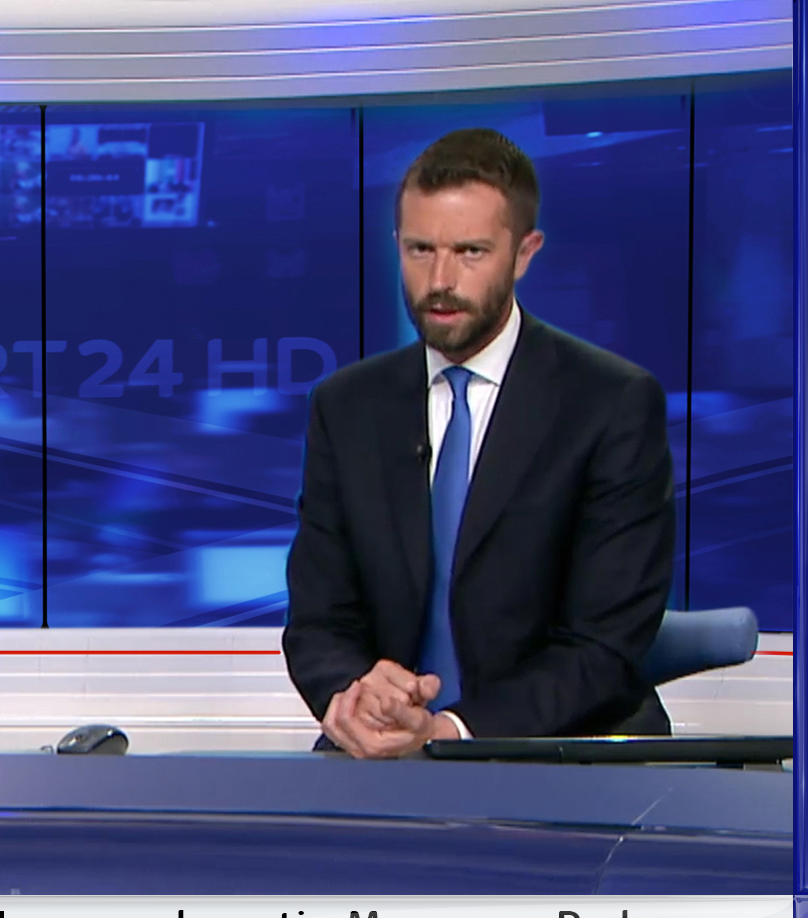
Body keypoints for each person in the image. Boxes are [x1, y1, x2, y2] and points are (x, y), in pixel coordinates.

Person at [283, 129, 674, 759]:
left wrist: (450, 731)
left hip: (560, 753)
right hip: (384, 755)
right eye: (420, 250)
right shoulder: (347, 407)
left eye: (470, 252)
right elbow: (318, 621)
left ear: (524, 253)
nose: (440, 280)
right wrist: (355, 695)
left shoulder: (610, 404)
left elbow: (604, 645)